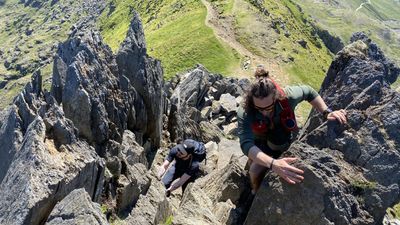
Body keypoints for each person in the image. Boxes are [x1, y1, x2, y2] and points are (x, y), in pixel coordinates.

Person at [237, 66, 347, 194]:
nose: (265, 112)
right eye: (259, 109)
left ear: (276, 98)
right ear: (252, 102)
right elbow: (246, 144)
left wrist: (326, 112)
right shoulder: (245, 111)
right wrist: (273, 164)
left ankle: (272, 155)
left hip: (283, 135)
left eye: (269, 107)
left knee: (274, 148)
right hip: (259, 141)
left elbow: (309, 92)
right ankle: (255, 193)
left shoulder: (288, 97)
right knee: (255, 170)